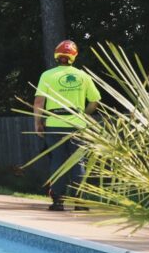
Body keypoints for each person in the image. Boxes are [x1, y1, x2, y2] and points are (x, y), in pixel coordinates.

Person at [33, 40, 101, 211]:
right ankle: (79, 202)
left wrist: (38, 123)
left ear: (57, 55)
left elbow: (39, 101)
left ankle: (57, 202)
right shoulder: (83, 76)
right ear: (74, 56)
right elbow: (95, 101)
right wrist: (84, 115)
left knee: (58, 161)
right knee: (78, 163)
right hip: (77, 125)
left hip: (55, 124)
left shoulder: (47, 75)